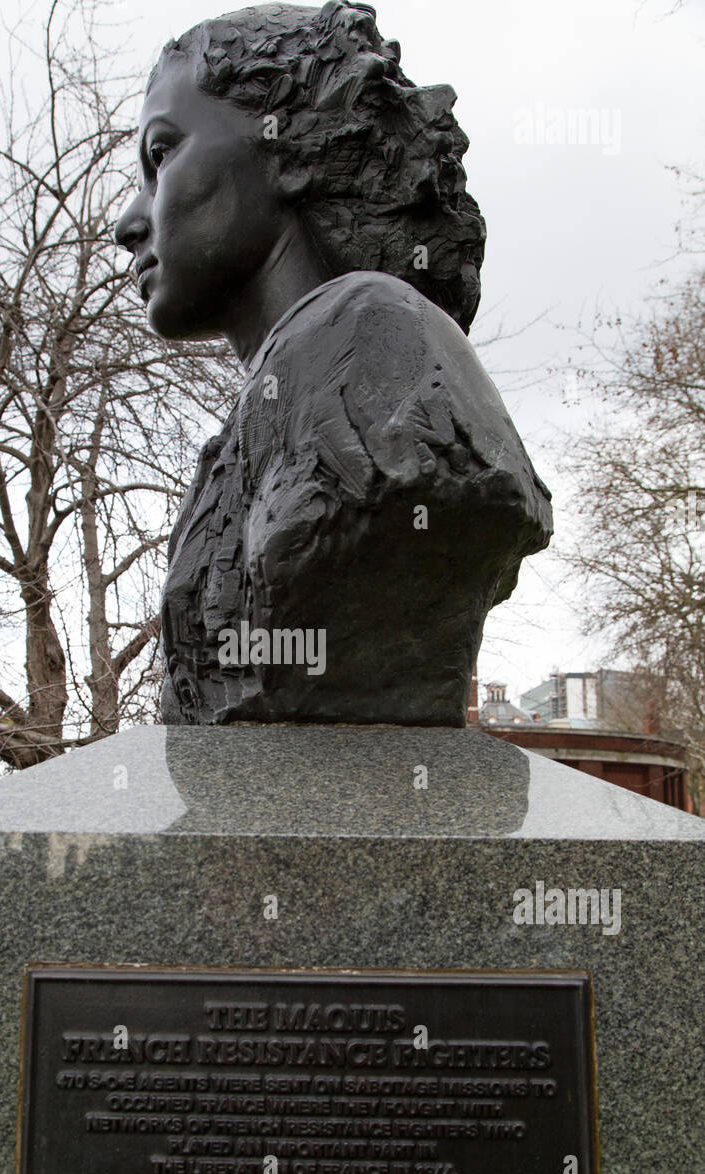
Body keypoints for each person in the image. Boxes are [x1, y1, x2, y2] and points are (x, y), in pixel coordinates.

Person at [115, 2, 552, 726]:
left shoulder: (374, 336)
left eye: (162, 156)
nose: (131, 221)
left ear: (285, 151)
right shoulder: (282, 390)